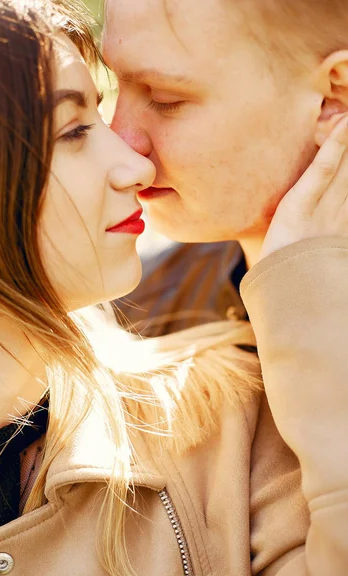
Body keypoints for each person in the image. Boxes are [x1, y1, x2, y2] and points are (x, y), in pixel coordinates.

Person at [0, 1, 347, 576]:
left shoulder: (229, 421)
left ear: (332, 97)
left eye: (164, 97)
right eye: (78, 128)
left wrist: (301, 290)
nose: (132, 156)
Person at [103, 0, 348, 334]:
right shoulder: (134, 320)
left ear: (334, 97)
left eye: (165, 98)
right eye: (115, 86)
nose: (118, 144)